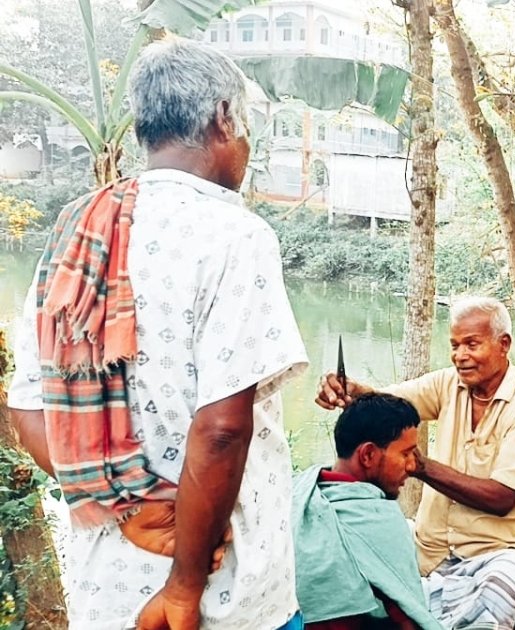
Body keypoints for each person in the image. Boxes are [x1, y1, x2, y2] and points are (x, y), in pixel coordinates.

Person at [6, 39, 309, 629]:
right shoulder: (235, 235)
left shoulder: (76, 228)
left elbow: (28, 409)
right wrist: (183, 589)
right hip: (223, 599)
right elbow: (222, 429)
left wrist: (127, 509)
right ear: (224, 118)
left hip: (108, 589)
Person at [316, 297, 515, 630]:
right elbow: (389, 402)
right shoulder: (448, 384)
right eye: (455, 345)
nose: (460, 355)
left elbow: (501, 498)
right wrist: (352, 392)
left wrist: (421, 467)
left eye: (472, 344)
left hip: (498, 553)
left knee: (496, 594)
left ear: (504, 344)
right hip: (428, 549)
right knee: (349, 560)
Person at [292, 393, 444, 630]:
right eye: (405, 453)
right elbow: (406, 613)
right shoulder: (382, 520)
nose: (412, 465)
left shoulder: (296, 494)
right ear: (368, 455)